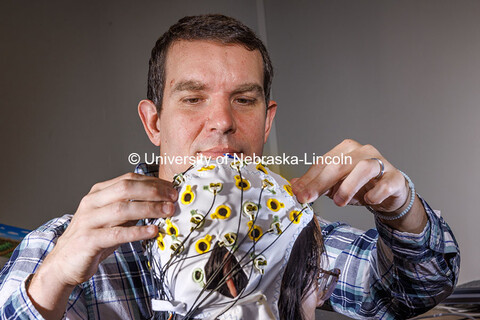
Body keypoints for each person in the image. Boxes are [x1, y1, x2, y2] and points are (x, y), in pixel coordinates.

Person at [0, 14, 459, 320]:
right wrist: (53, 280)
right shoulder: (66, 246)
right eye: (193, 98)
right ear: (154, 121)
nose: (221, 122)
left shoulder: (292, 231)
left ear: (266, 121)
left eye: (244, 100)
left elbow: (412, 290)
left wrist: (402, 210)